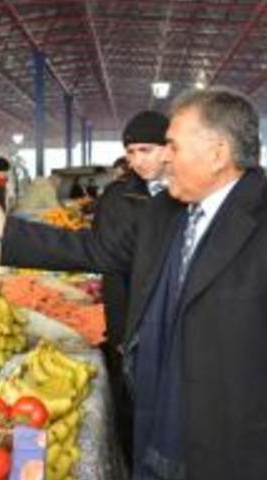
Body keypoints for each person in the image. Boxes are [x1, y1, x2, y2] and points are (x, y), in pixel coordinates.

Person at [0, 87, 267, 480]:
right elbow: (97, 250)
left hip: (234, 451)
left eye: (173, 147)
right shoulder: (165, 211)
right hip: (157, 431)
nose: (165, 159)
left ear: (216, 153)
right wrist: (7, 232)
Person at [92, 109, 173, 472]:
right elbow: (109, 266)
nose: (136, 160)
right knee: (133, 409)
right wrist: (120, 330)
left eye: (146, 150)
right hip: (131, 325)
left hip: (177, 326)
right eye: (131, 151)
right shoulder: (116, 197)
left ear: (169, 148)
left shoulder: (187, 194)